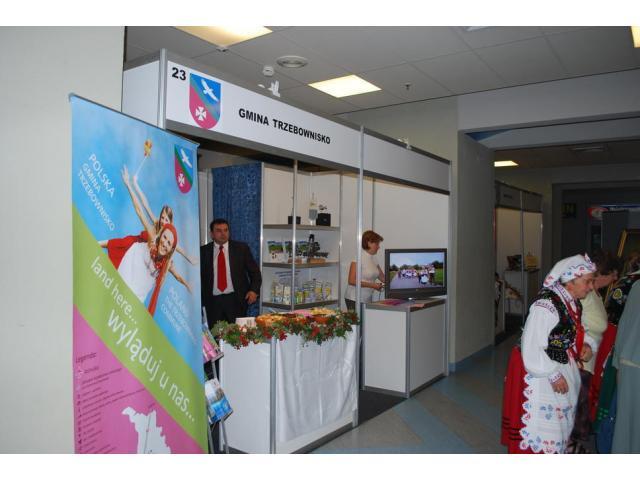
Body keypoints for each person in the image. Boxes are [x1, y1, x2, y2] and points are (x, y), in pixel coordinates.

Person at [501, 254, 596, 454]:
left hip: (558, 363)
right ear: (571, 280)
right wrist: (552, 374)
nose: (591, 287)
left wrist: (585, 344)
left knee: (560, 423)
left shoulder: (571, 301)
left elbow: (573, 330)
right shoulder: (546, 305)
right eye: (587, 281)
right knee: (545, 427)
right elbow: (532, 344)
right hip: (539, 370)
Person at [567, 250, 622, 453]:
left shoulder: (596, 295)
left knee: (578, 410)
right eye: (613, 274)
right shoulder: (585, 295)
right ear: (603, 273)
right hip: (579, 361)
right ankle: (569, 449)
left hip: (588, 362)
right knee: (573, 412)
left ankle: (572, 447)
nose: (615, 279)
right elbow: (571, 324)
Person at [200, 218, 262, 328]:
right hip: (212, 303)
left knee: (237, 335)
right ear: (212, 234)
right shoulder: (203, 252)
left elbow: (255, 273)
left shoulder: (241, 249)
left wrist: (253, 290)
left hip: (235, 301)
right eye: (219, 231)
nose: (223, 234)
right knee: (215, 335)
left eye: (226, 230)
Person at [611, 280, 640, 453]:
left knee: (624, 427)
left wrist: (617, 362)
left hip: (628, 361)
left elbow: (624, 324)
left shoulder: (637, 286)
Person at [344, 230, 385, 311]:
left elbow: (382, 278)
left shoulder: (374, 258)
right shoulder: (359, 257)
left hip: (366, 299)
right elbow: (351, 281)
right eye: (377, 244)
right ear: (369, 243)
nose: (378, 247)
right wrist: (372, 285)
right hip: (354, 298)